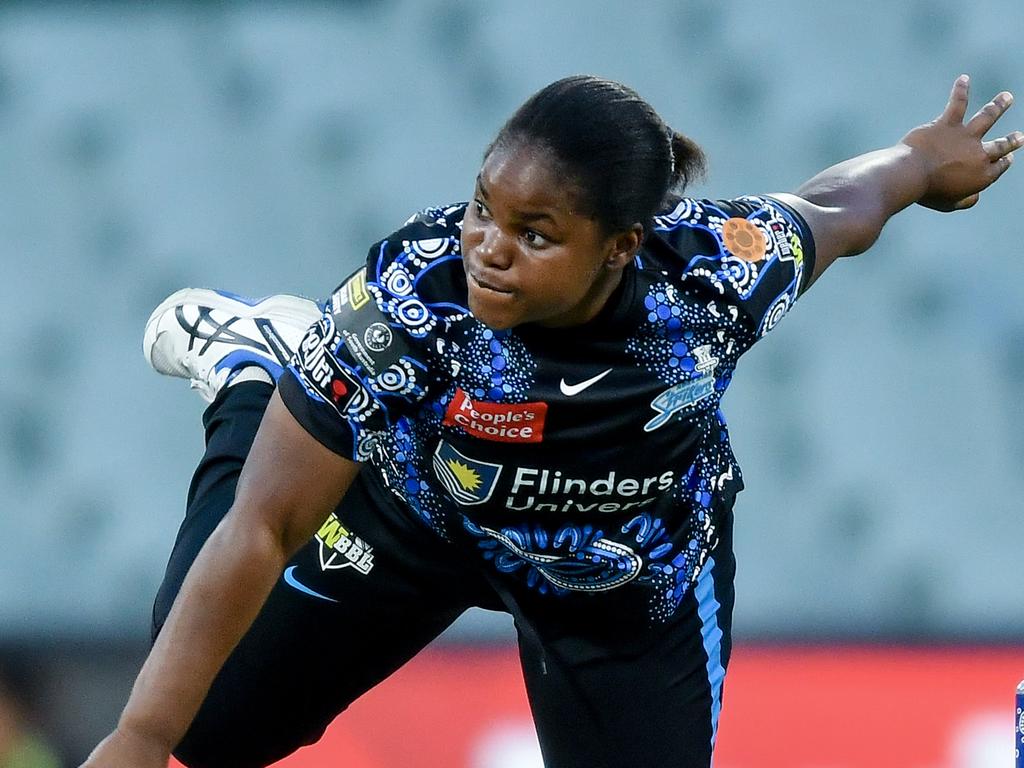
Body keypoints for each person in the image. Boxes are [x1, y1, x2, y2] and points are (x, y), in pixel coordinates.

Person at [83, 74, 1019, 768]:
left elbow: (835, 209)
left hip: (626, 581)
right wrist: (137, 735)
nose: (488, 248)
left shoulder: (708, 282)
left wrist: (922, 164)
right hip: (421, 516)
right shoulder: (413, 302)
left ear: (622, 247)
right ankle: (256, 374)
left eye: (535, 234)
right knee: (208, 728)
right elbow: (266, 523)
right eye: (484, 210)